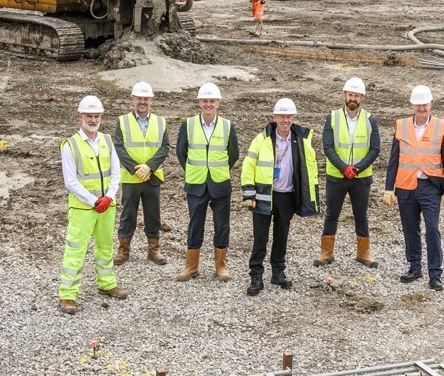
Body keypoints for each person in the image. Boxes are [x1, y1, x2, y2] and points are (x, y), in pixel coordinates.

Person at [241, 98, 320, 296]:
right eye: (282, 116)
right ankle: (256, 276)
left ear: (293, 118)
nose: (285, 120)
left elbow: (310, 168)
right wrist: (249, 192)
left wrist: (309, 195)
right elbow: (249, 164)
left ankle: (278, 272)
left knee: (281, 235)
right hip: (263, 194)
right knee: (260, 236)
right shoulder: (262, 139)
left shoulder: (301, 140)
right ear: (274, 117)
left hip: (287, 195)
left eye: (289, 116)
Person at [382, 85, 444, 291]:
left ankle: (435, 274)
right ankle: (415, 267)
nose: (422, 108)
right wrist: (389, 187)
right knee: (410, 229)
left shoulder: (441, 126)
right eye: (418, 104)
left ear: (430, 104)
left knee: (432, 229)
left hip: (430, 187)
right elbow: (393, 159)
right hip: (406, 186)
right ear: (412, 105)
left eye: (425, 104)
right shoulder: (402, 126)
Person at [58, 95, 127, 314]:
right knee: (76, 250)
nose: (93, 119)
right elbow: (70, 182)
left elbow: (116, 172)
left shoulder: (108, 141)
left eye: (96, 115)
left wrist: (109, 196)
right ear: (80, 116)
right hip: (82, 208)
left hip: (107, 206)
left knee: (105, 246)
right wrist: (94, 200)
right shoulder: (70, 145)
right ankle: (68, 295)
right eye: (89, 115)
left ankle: (107, 284)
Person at [176, 82, 239, 282]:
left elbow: (233, 154)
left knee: (222, 226)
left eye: (212, 101)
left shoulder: (228, 126)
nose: (208, 104)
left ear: (218, 103)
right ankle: (191, 266)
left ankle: (221, 266)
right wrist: (194, 171)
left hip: (220, 184)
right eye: (205, 101)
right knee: (195, 225)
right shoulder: (188, 124)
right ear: (199, 103)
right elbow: (181, 152)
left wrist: (218, 170)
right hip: (196, 184)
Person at [315, 77, 381, 268]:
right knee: (331, 214)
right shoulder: (332, 117)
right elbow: (327, 147)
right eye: (350, 95)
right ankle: (326, 253)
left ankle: (364, 253)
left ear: (362, 98)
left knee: (361, 215)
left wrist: (357, 168)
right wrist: (344, 168)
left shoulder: (370, 120)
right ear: (344, 95)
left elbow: (375, 149)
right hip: (337, 176)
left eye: (357, 96)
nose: (353, 98)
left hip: (361, 178)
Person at [113, 81, 169, 267]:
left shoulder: (160, 122)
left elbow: (164, 147)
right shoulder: (122, 121)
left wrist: (150, 167)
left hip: (152, 176)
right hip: (131, 177)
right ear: (132, 100)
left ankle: (154, 250)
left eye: (145, 98)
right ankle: (123, 250)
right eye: (139, 98)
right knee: (128, 214)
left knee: (153, 214)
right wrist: (136, 168)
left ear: (151, 100)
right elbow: (119, 147)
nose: (142, 101)